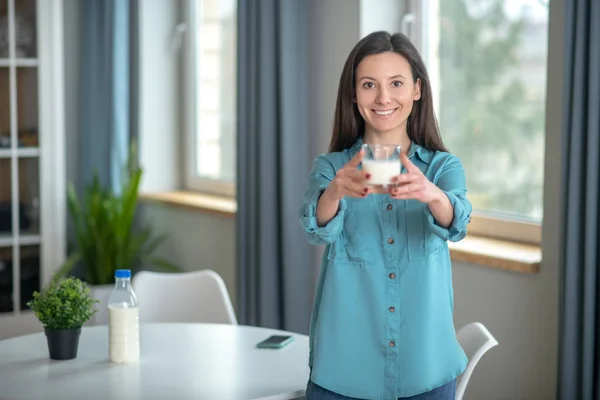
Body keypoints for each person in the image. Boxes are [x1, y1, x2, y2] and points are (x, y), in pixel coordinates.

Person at [298, 31, 472, 400]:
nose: (383, 98)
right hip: (342, 374)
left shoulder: (442, 167)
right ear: (353, 94)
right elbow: (316, 229)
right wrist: (335, 192)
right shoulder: (331, 168)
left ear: (417, 90)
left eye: (396, 83)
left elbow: (457, 222)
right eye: (368, 85)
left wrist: (431, 195)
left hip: (426, 371)